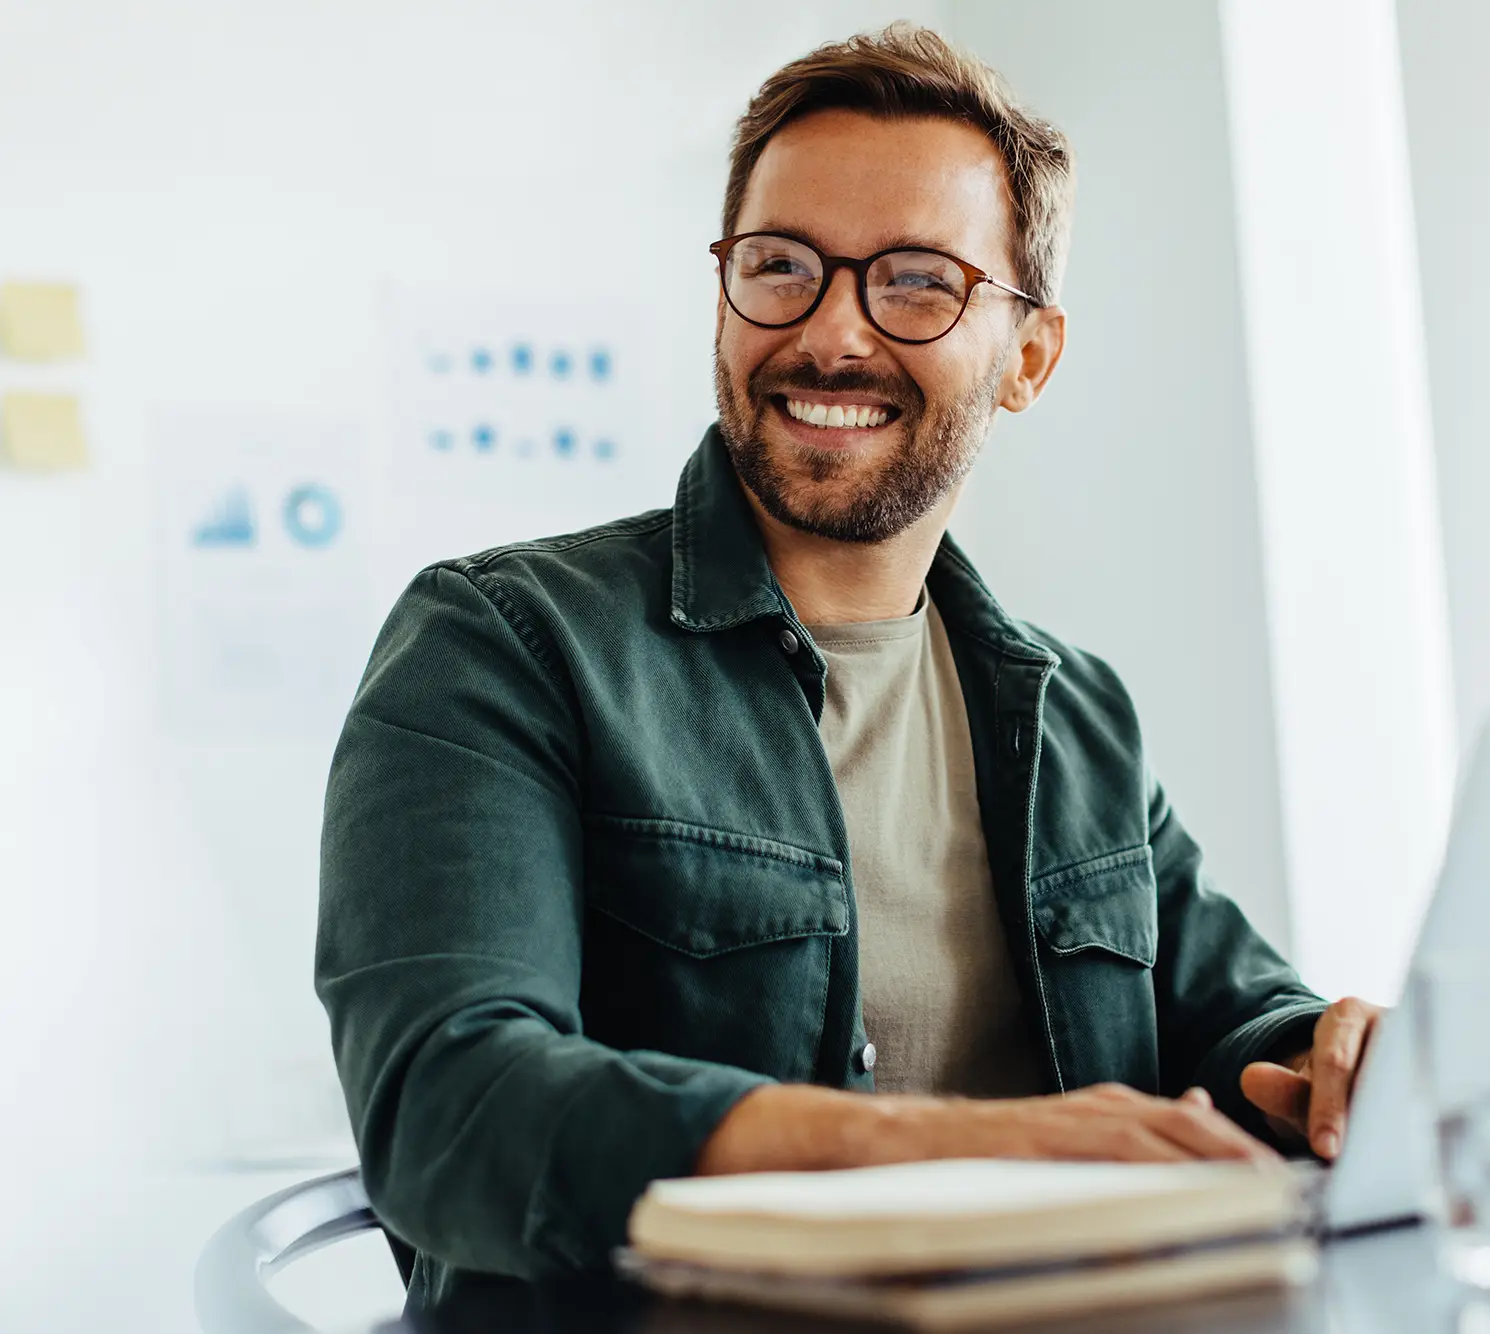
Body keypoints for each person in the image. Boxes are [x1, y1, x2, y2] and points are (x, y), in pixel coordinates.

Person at [316, 23, 1378, 1306]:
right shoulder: (502, 642)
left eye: (918, 282)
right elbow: (451, 1109)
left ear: (1027, 357)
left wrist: (1329, 1054)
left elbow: (1236, 1019)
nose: (831, 333)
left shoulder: (1071, 710)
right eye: (780, 266)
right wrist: (940, 1147)